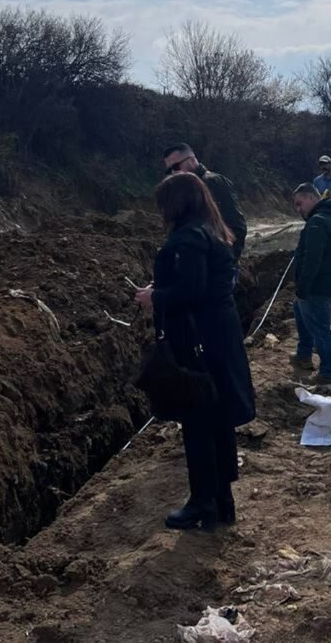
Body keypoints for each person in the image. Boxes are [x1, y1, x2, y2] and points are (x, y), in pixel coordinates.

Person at [134, 172, 255, 531]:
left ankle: (203, 503)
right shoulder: (213, 231)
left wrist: (154, 297)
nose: (161, 211)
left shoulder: (188, 237)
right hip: (219, 337)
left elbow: (192, 291)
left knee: (198, 423)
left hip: (198, 341)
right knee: (217, 420)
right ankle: (221, 502)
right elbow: (199, 282)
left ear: (177, 203)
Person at [289, 183, 331, 385]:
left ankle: (327, 373)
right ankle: (304, 354)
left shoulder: (318, 222)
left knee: (321, 329)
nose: (298, 209)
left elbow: (312, 259)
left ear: (311, 198)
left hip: (318, 283)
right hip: (328, 278)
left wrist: (303, 287)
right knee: (299, 310)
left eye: (299, 203)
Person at [163, 143, 248, 264]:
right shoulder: (183, 191)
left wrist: (224, 263)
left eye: (176, 166)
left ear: (192, 160)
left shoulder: (214, 182)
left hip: (215, 266)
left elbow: (236, 227)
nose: (173, 173)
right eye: (169, 170)